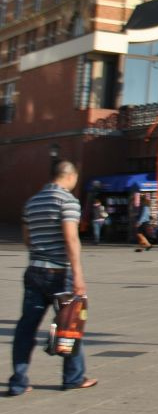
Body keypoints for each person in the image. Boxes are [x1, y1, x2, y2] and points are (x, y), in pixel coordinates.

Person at [8, 160, 97, 395]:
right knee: (69, 325)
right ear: (71, 176)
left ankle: (18, 380)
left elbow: (28, 239)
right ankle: (73, 378)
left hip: (34, 270)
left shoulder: (32, 202)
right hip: (60, 273)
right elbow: (71, 238)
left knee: (26, 327)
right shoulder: (67, 201)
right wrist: (78, 275)